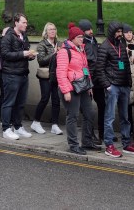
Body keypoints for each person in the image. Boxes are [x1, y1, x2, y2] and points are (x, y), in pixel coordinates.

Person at [95, 21, 134, 156]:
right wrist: (107, 85)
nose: (120, 34)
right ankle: (109, 145)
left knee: (125, 117)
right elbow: (99, 69)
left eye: (121, 31)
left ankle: (126, 144)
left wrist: (129, 82)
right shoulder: (105, 47)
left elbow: (126, 65)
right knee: (109, 117)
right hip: (113, 86)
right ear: (112, 32)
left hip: (124, 85)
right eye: (118, 32)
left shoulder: (121, 45)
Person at [56, 23, 99, 155]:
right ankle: (73, 144)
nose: (82, 39)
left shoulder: (81, 50)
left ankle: (86, 141)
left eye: (82, 37)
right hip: (71, 88)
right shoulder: (64, 51)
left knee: (89, 113)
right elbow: (61, 72)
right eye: (80, 37)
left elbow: (85, 69)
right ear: (73, 38)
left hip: (83, 87)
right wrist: (66, 91)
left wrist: (89, 85)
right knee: (72, 116)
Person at [0, 13, 36, 140]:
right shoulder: (8, 37)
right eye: (24, 22)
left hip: (23, 74)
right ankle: (6, 128)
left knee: (20, 103)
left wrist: (30, 56)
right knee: (9, 102)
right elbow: (4, 54)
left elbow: (25, 54)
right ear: (16, 22)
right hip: (11, 74)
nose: (26, 25)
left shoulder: (24, 36)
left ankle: (18, 126)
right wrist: (23, 54)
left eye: (26, 22)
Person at [32, 22, 63, 135]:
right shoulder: (42, 44)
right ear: (46, 32)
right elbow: (41, 60)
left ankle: (55, 125)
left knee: (56, 100)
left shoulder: (59, 43)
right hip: (45, 75)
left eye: (54, 29)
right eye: (50, 29)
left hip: (56, 74)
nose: (53, 31)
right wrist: (54, 53)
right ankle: (35, 122)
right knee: (45, 98)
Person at [79, 19, 104, 143]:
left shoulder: (94, 42)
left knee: (102, 105)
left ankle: (102, 133)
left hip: (98, 79)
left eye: (91, 28)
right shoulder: (83, 44)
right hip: (88, 80)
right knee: (88, 110)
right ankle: (90, 134)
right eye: (88, 29)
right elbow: (85, 64)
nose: (91, 31)